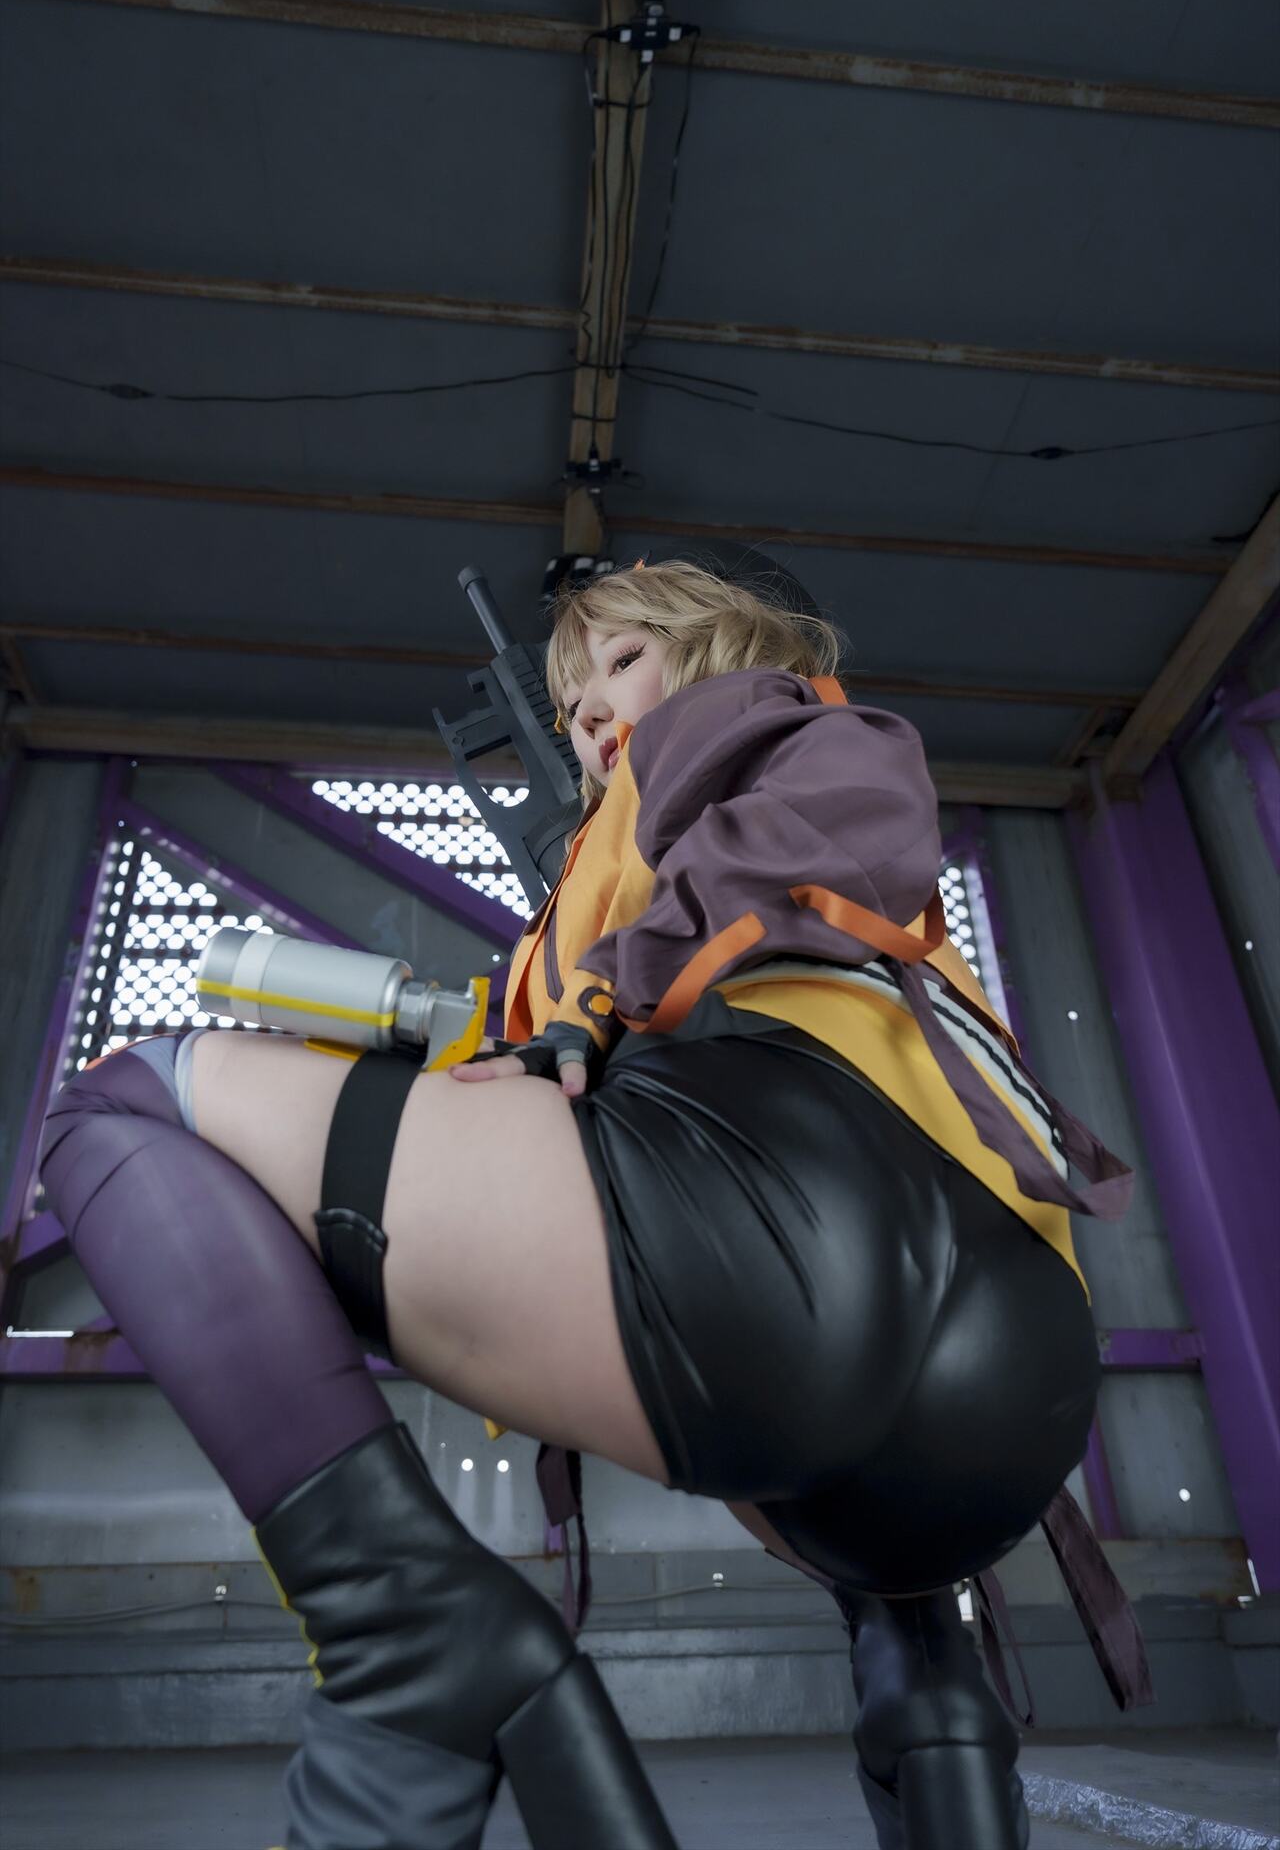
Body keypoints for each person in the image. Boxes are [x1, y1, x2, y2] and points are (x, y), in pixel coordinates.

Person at [39, 557, 1133, 1850]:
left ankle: (403, 1624)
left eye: (622, 660)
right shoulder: (634, 890)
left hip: (783, 1238)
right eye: (570, 704)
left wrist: (599, 999)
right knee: (915, 1651)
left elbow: (778, 854)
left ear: (723, 644)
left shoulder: (766, 724)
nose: (591, 711)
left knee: (119, 1103)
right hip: (1008, 1407)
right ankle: (935, 1709)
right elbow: (549, 1048)